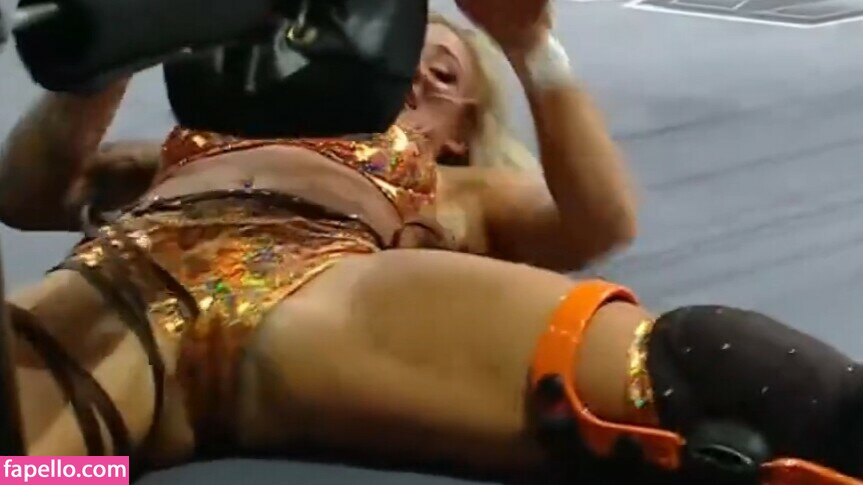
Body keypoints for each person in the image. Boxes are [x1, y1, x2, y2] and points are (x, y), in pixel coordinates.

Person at [0, 1, 860, 483]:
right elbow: (29, 193)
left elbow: (602, 222)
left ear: (459, 131)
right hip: (130, 280)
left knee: (727, 369)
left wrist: (530, 46)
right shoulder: (185, 151)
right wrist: (106, 56)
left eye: (441, 74)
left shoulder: (463, 193)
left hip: (333, 301)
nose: (413, 74)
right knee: (28, 463)